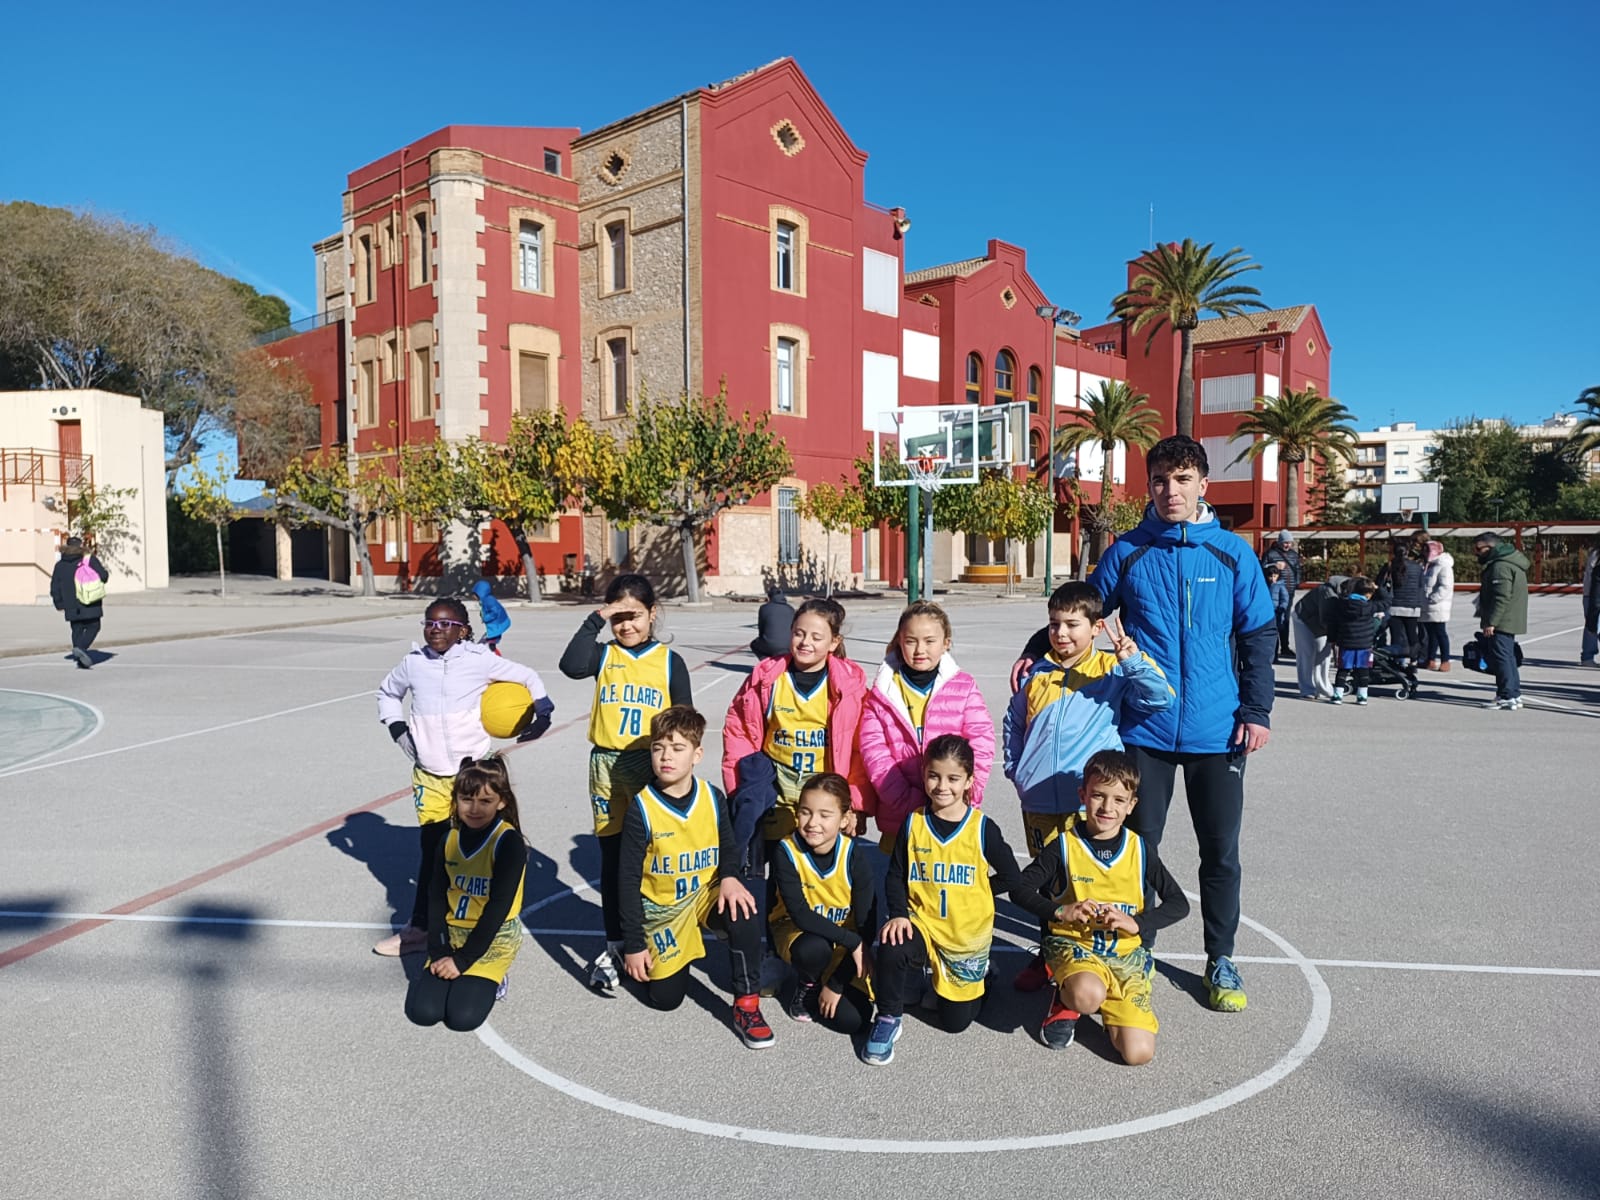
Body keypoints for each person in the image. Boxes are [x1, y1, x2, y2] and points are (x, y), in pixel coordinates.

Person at [1010, 435, 1275, 1013]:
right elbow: (1082, 609)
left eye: (1182, 480)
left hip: (1217, 730)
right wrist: (1036, 648)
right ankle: (1138, 948)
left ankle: (1220, 957)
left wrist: (1256, 711)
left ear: (1203, 484)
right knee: (1137, 848)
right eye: (1159, 480)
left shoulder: (1232, 553)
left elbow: (1258, 635)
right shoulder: (1128, 551)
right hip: (1143, 733)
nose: (1170, 491)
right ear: (1148, 486)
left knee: (1220, 852)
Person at [1002, 581, 1171, 994]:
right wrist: (1017, 770)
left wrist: (1133, 661)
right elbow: (1013, 723)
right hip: (1038, 801)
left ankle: (1093, 961)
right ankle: (1049, 954)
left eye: (1072, 624)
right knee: (1048, 885)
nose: (1061, 633)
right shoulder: (1037, 673)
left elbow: (1160, 698)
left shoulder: (1111, 669)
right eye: (1054, 624)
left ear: (1095, 628)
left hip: (1087, 803)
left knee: (1086, 884)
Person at [861, 735, 1052, 1066]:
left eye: (952, 778)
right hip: (923, 923)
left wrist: (978, 891)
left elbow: (1012, 876)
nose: (942, 786)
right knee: (893, 942)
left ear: (968, 781)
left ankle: (983, 976)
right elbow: (895, 875)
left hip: (964, 936)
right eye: (934, 776)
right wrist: (899, 913)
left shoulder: (982, 829)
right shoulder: (914, 822)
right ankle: (889, 1018)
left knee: (954, 1023)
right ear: (924, 775)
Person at [374, 598, 549, 957]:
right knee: (434, 853)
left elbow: (528, 677)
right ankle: (421, 928)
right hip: (430, 776)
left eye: (445, 624)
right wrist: (397, 729)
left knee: (479, 852)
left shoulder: (478, 660)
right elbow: (388, 693)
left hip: (471, 775)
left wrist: (543, 711)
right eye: (429, 623)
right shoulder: (413, 663)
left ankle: (486, 926)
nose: (435, 630)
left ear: (463, 630)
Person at [559, 574, 691, 993]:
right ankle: (616, 943)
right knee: (614, 860)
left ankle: (659, 932)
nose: (626, 625)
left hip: (651, 765)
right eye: (618, 618)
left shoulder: (669, 661)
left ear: (652, 614)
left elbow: (685, 723)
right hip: (607, 767)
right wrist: (597, 618)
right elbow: (570, 665)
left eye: (633, 615)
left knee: (655, 857)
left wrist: (676, 775)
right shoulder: (605, 655)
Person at [1016, 750, 1189, 1060]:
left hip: (1124, 957)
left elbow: (1179, 904)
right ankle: (1067, 1000)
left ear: (1131, 805)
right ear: (1083, 795)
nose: (1107, 807)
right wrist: (1061, 911)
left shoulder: (1139, 849)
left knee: (1138, 1054)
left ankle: (1111, 1004)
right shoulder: (1065, 845)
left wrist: (1137, 923)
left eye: (1119, 800)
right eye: (1098, 796)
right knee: (1087, 994)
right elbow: (1020, 889)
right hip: (1076, 947)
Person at [618, 706, 775, 1047]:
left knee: (743, 910)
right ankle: (636, 959)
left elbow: (729, 846)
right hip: (664, 908)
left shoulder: (711, 797)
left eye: (677, 748)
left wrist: (730, 877)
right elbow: (626, 881)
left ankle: (747, 1006)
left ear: (697, 755)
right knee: (666, 1000)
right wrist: (633, 945)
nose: (666, 757)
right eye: (658, 748)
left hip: (704, 894)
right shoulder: (641, 809)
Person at [858, 601, 993, 857]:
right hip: (901, 817)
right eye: (911, 641)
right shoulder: (882, 692)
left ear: (946, 643)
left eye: (930, 641)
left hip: (951, 811)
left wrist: (966, 793)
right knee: (900, 878)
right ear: (899, 641)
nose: (920, 650)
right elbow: (874, 753)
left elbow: (981, 743)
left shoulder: (963, 687)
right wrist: (904, 800)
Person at [404, 756, 527, 1032]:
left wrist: (461, 961)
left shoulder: (508, 842)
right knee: (424, 1012)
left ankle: (497, 978)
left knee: (462, 1018)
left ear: (502, 802)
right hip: (452, 934)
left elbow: (497, 909)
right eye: (466, 799)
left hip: (492, 937)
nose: (474, 808)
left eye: (485, 801)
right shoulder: (448, 839)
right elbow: (435, 897)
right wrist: (439, 951)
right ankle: (460, 973)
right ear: (456, 799)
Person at [767, 772, 877, 1035]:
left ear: (845, 819)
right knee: (814, 949)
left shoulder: (853, 855)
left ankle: (826, 982)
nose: (812, 822)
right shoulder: (786, 851)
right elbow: (801, 914)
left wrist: (837, 984)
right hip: (799, 934)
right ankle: (807, 983)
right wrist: (854, 942)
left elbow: (867, 923)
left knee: (854, 1021)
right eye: (805, 812)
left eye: (824, 815)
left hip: (843, 943)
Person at [1473, 533, 1530, 710]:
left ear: (1490, 547)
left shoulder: (1500, 566)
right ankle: (1513, 693)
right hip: (1508, 618)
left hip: (1503, 620)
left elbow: (1501, 597)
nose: (1476, 553)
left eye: (1478, 549)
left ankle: (1507, 696)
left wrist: (1492, 622)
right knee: (1508, 657)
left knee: (1502, 658)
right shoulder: (1509, 562)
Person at [49, 536, 110, 669]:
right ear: (81, 546)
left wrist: (58, 603)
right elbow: (104, 576)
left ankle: (80, 657)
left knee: (77, 629)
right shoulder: (89, 560)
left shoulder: (60, 565)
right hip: (89, 601)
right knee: (94, 626)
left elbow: (54, 586)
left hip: (70, 603)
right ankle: (81, 649)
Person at [1291, 573, 1348, 700]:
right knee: (1306, 654)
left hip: (1321, 620)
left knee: (1324, 655)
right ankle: (1307, 689)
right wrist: (1334, 636)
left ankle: (1324, 688)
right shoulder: (1328, 593)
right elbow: (1325, 620)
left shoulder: (1349, 590)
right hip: (1303, 618)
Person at [1327, 576, 1383, 705]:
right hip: (1364, 644)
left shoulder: (1342, 605)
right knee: (1363, 670)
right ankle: (1362, 696)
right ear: (1368, 594)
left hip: (1346, 643)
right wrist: (1378, 588)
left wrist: (1332, 639)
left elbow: (1333, 623)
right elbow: (1387, 601)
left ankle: (1337, 695)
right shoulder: (1370, 606)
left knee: (1343, 669)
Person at [1376, 537, 1425, 667]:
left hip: (1394, 605)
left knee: (1396, 635)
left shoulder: (1390, 566)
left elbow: (1379, 583)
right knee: (1412, 635)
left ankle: (1398, 661)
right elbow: (1421, 586)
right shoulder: (1417, 567)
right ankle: (1413, 661)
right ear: (1407, 552)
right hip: (1412, 606)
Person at [1420, 540, 1455, 671]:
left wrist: (1433, 598)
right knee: (1430, 634)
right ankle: (1430, 659)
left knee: (1440, 633)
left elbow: (1445, 586)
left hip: (1438, 606)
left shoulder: (1444, 565)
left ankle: (1445, 660)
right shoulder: (1429, 565)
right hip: (1427, 606)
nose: (1424, 553)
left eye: (1427, 550)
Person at [751, 586, 796, 659]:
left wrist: (763, 639)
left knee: (754, 645)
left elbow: (761, 628)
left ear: (769, 597)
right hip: (789, 645)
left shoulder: (764, 608)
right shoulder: (790, 609)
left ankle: (767, 661)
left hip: (770, 644)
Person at [471, 580, 511, 654]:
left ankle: (496, 657)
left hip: (497, 625)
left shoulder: (489, 600)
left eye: (474, 594)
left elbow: (495, 612)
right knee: (489, 642)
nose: (473, 597)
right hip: (495, 626)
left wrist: (485, 618)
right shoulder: (485, 600)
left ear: (479, 593)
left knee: (490, 644)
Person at [1265, 563, 1292, 660]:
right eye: (1270, 576)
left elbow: (1285, 599)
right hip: (1267, 613)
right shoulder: (1265, 586)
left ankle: (1274, 655)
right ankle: (1269, 654)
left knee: (1275, 634)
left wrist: (1281, 608)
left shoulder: (1280, 586)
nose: (1272, 579)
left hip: (1277, 613)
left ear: (1278, 576)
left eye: (1274, 576)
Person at [1580, 540, 1599, 666]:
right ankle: (1587, 656)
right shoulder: (1596, 555)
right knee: (1592, 626)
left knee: (1592, 626)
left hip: (1591, 595)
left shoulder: (1595, 553)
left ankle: (1587, 656)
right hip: (1593, 596)